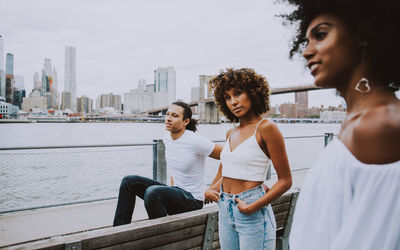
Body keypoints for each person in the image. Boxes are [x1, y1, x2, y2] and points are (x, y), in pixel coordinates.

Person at [279, 1, 400, 249]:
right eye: (306, 41)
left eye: (320, 35)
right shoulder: (359, 120)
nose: (306, 52)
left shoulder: (379, 125)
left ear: (362, 35)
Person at [205, 68, 292, 250]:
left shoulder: (266, 128)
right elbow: (224, 172)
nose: (233, 101)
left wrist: (252, 207)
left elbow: (285, 181)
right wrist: (208, 191)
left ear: (253, 93)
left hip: (252, 208)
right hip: (225, 208)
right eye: (227, 97)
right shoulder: (230, 132)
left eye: (238, 93)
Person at [113, 101, 222, 226]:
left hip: (193, 199)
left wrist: (212, 189)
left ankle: (163, 235)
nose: (169, 118)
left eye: (174, 116)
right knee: (129, 181)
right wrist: (171, 191)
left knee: (153, 193)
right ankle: (118, 229)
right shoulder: (167, 138)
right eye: (167, 114)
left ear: (186, 121)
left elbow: (229, 158)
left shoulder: (196, 141)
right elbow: (174, 170)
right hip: (177, 192)